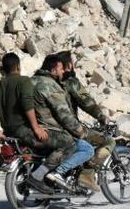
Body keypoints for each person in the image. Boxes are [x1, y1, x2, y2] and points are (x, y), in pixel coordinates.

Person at [0, 53, 55, 192]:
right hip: (24, 130)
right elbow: (27, 104)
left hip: (9, 133)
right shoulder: (24, 81)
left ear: (3, 69)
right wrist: (36, 128)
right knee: (65, 143)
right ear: (18, 66)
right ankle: (42, 177)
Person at [56, 50, 117, 191]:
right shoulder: (71, 82)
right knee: (108, 141)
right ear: (69, 65)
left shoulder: (48, 82)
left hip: (50, 127)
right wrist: (102, 117)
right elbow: (87, 103)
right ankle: (87, 174)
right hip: (70, 128)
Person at [32, 54, 95, 190]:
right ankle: (57, 173)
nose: (63, 71)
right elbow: (64, 115)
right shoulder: (50, 86)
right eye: (60, 68)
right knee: (87, 148)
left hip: (33, 128)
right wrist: (80, 131)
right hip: (51, 130)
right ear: (53, 69)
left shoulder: (31, 81)